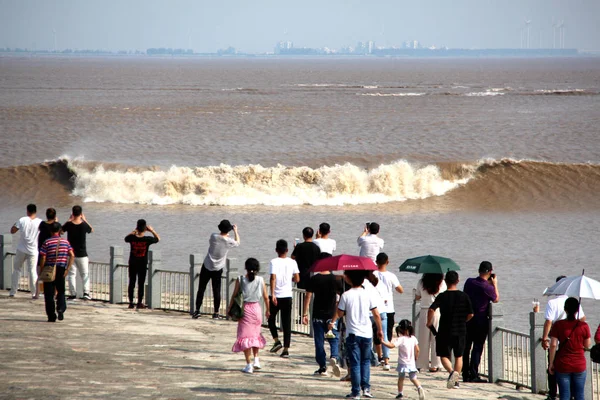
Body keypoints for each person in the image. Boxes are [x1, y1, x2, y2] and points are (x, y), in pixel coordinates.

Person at [329, 269, 384, 400]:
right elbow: (376, 314)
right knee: (365, 362)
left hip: (353, 333)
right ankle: (366, 389)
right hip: (367, 333)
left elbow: (340, 313)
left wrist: (336, 315)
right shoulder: (367, 294)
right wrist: (380, 330)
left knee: (355, 363)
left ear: (349, 279)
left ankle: (355, 392)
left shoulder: (346, 295)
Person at [541, 275, 586, 400]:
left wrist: (545, 338)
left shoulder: (552, 302)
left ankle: (552, 394)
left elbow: (549, 322)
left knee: (552, 367)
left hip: (557, 337)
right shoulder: (574, 302)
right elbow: (583, 319)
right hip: (571, 340)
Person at [427, 271, 473, 390]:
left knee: (443, 355)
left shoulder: (442, 296)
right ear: (457, 281)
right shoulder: (464, 296)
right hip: (460, 330)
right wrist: (464, 321)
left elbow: (431, 309)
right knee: (459, 356)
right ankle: (456, 380)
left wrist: (429, 322)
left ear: (445, 282)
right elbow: (471, 314)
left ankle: (452, 373)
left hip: (444, 330)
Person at [227, 258, 270, 374]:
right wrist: (268, 310)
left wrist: (229, 308)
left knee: (245, 338)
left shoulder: (240, 279)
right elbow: (266, 297)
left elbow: (234, 295)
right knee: (255, 336)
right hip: (257, 309)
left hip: (245, 310)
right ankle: (256, 360)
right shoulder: (260, 280)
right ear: (257, 268)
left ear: (246, 267)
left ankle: (249, 365)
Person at [192, 220, 240, 319]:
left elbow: (219, 237)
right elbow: (237, 243)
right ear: (229, 230)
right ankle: (216, 313)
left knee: (201, 288)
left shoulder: (213, 236)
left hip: (206, 265)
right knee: (216, 290)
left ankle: (197, 311)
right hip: (218, 268)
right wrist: (235, 231)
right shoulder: (229, 241)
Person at [302, 262, 343, 377]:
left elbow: (308, 296)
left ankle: (322, 367)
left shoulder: (314, 279)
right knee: (334, 338)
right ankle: (334, 356)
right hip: (331, 314)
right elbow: (341, 297)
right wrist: (338, 312)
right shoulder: (335, 279)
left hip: (317, 315)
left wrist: (304, 314)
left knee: (319, 341)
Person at [462, 261, 499, 383]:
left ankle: (465, 373)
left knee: (466, 347)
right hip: (481, 320)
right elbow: (496, 299)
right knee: (477, 347)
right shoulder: (487, 287)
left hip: (467, 318)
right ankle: (473, 374)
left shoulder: (469, 281)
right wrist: (494, 284)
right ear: (490, 272)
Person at [548, 297, 592, 400]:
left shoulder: (558, 325)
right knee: (579, 395)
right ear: (577, 310)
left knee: (564, 395)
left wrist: (551, 363)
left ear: (565, 309)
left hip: (563, 364)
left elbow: (553, 345)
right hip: (579, 364)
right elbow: (587, 345)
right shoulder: (583, 326)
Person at [268, 239, 300, 358]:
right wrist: (289, 280)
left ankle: (276, 340)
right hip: (287, 296)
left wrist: (273, 294)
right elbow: (297, 279)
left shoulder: (273, 261)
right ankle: (286, 349)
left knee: (271, 319)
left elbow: (273, 278)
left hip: (276, 295)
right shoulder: (292, 262)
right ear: (287, 250)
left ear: (276, 250)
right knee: (286, 323)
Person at [372, 252, 403, 370]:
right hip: (389, 308)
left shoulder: (372, 274)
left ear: (376, 262)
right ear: (387, 262)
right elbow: (400, 290)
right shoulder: (391, 276)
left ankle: (379, 356)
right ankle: (386, 359)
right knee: (387, 333)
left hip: (375, 307)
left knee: (376, 332)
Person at [38, 222, 74, 322]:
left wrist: (41, 270)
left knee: (49, 294)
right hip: (61, 269)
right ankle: (61, 308)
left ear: (50, 231)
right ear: (59, 231)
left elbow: (43, 257)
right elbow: (72, 255)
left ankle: (51, 315)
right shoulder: (65, 242)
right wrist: (68, 268)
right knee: (61, 290)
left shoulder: (47, 242)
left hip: (49, 269)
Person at [382, 320, 426, 400]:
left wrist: (383, 342)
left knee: (401, 378)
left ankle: (400, 393)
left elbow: (392, 346)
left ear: (400, 329)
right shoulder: (413, 338)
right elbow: (418, 349)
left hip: (402, 362)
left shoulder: (401, 339)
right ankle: (419, 387)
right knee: (413, 378)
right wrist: (416, 357)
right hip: (411, 363)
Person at [124, 219, 160, 309]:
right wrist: (152, 230)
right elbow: (158, 239)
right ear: (145, 229)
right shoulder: (147, 239)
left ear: (137, 227)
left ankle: (131, 302)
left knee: (132, 282)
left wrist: (134, 231)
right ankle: (139, 302)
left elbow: (126, 238)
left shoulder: (132, 238)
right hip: (142, 264)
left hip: (132, 263)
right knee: (141, 283)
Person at [415, 273, 446, 372]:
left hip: (424, 311)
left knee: (423, 339)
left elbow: (417, 296)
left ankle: (421, 363)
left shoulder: (421, 282)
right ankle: (435, 364)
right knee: (436, 338)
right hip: (437, 311)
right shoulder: (442, 283)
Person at [61, 205, 93, 301]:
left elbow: (61, 231)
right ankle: (86, 293)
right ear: (81, 214)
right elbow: (91, 229)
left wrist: (68, 220)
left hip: (71, 254)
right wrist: (85, 219)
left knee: (71, 274)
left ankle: (73, 293)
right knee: (85, 274)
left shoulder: (69, 224)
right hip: (82, 253)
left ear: (72, 213)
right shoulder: (83, 225)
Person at [10, 204, 42, 298]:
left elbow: (13, 230)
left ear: (27, 211)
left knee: (17, 269)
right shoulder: (40, 222)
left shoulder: (22, 220)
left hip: (21, 248)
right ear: (35, 211)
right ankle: (34, 292)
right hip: (33, 250)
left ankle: (13, 291)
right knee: (32, 271)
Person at [37, 207, 58, 298]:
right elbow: (59, 233)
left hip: (42, 251)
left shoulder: (42, 224)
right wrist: (56, 222)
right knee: (54, 273)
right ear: (55, 216)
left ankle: (39, 292)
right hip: (53, 252)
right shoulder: (56, 226)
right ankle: (55, 292)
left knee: (40, 272)